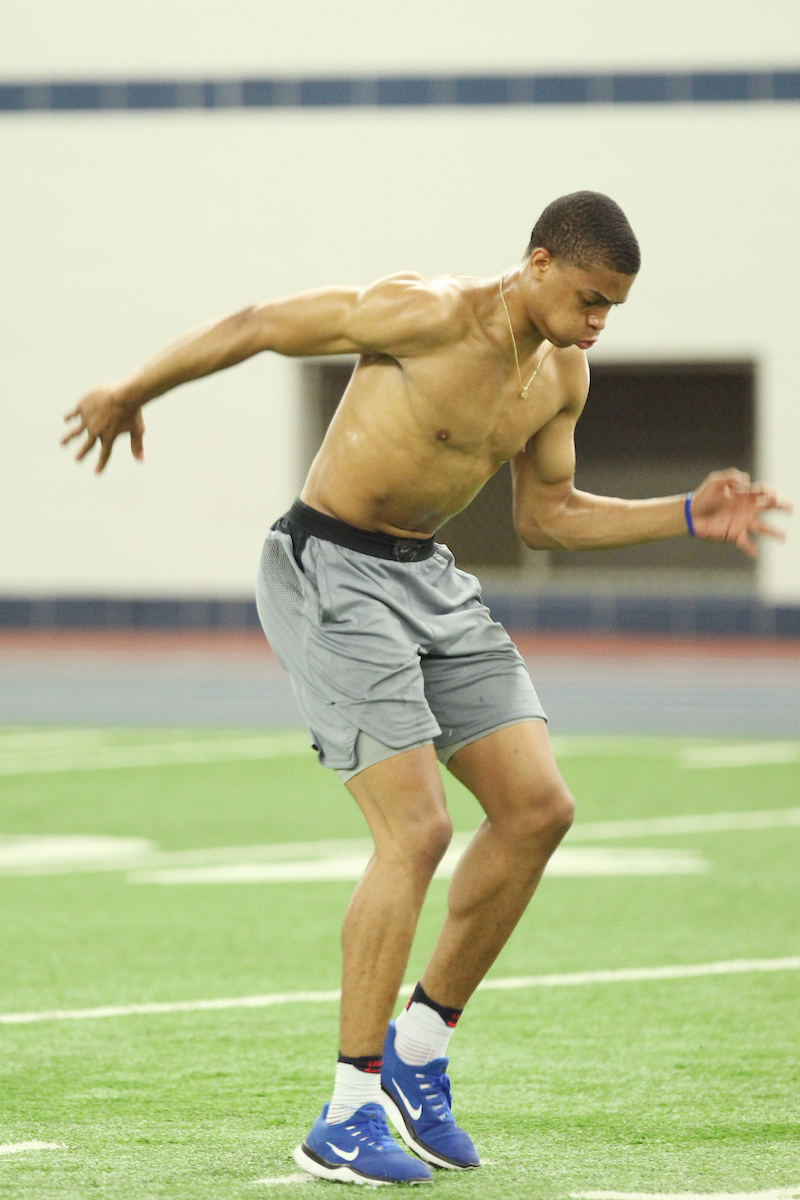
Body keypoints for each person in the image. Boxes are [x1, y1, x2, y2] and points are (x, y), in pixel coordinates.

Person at [62, 191, 791, 1186]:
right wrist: (131, 388)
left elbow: (547, 518)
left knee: (537, 808)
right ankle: (346, 1110)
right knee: (414, 831)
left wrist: (683, 515)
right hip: (328, 566)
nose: (595, 323)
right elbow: (260, 325)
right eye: (586, 298)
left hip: (426, 578)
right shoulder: (425, 312)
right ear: (534, 264)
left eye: (610, 308)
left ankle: (417, 1054)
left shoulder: (560, 378)